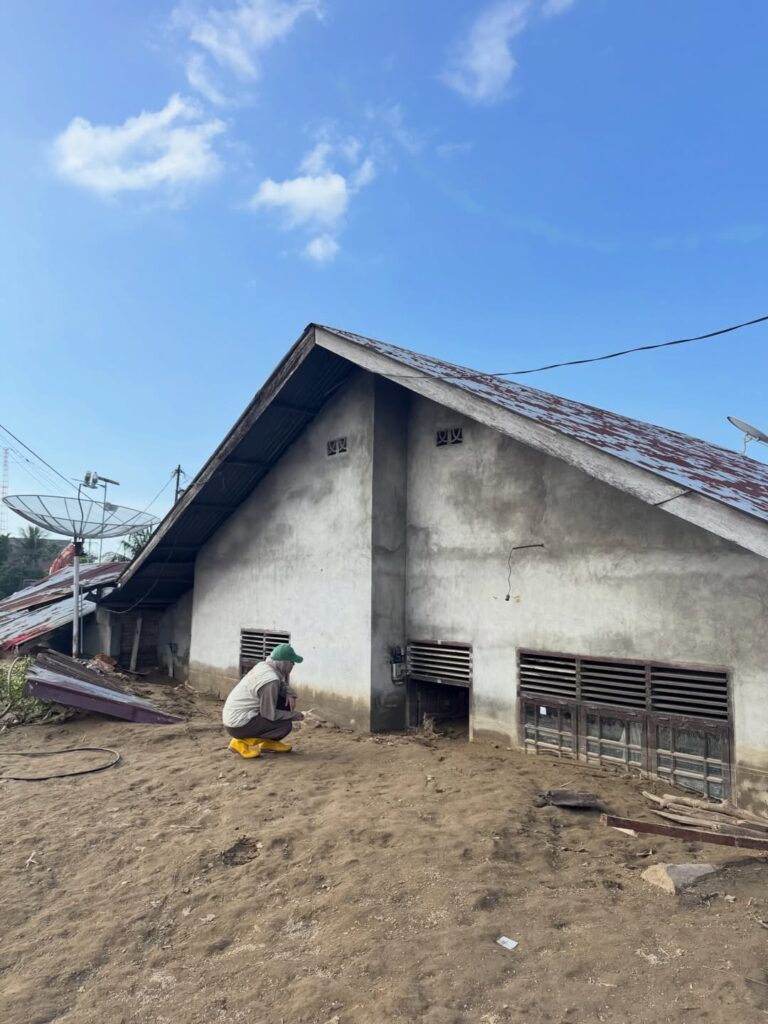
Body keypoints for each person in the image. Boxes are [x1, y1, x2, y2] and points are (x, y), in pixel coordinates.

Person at [223, 643, 305, 758]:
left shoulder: (265, 666)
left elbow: (281, 684)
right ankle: (239, 743)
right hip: (238, 725)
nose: (293, 665)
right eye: (292, 662)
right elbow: (269, 714)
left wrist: (291, 694)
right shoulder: (271, 682)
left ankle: (267, 744)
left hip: (233, 718)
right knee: (284, 725)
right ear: (284, 663)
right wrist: (298, 715)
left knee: (283, 703)